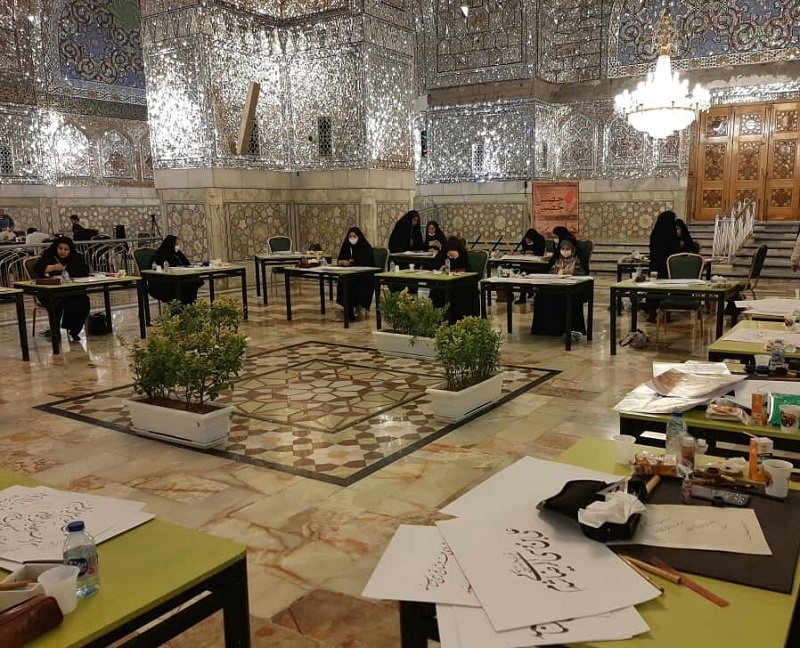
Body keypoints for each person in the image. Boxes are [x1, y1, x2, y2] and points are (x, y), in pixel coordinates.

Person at [33, 236, 91, 341]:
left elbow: (84, 273)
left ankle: (73, 330)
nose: (62, 252)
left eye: (66, 249)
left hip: (70, 290)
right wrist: (52, 267)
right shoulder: (49, 255)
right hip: (49, 291)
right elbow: (38, 269)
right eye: (60, 248)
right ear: (56, 248)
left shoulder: (76, 257)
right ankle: (55, 333)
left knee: (83, 301)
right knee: (57, 303)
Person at [531, 237, 587, 338]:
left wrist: (570, 272)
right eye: (563, 249)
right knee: (541, 297)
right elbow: (551, 271)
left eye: (567, 249)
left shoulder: (577, 260)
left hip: (571, 287)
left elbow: (582, 273)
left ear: (572, 249)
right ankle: (547, 329)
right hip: (556, 285)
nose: (565, 251)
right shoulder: (556, 259)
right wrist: (558, 272)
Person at [647, 210, 682, 322]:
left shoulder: (655, 233)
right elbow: (675, 250)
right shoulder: (671, 233)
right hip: (667, 267)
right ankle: (666, 315)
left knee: (653, 289)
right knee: (666, 289)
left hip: (654, 265)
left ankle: (652, 312)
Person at [148, 235, 203, 305]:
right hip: (162, 282)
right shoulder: (160, 254)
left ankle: (188, 306)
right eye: (176, 244)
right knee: (186, 285)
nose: (177, 246)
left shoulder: (177, 253)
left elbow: (186, 263)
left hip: (176, 278)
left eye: (177, 244)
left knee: (193, 281)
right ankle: (179, 307)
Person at [432, 236, 474, 322]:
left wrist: (457, 261)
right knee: (437, 291)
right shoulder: (443, 253)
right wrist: (441, 268)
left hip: (461, 284)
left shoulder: (462, 254)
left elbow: (467, 269)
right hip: (444, 282)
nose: (451, 254)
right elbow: (434, 266)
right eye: (449, 253)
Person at [336, 226, 374, 321]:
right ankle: (348, 310)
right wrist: (342, 262)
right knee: (342, 281)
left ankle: (350, 312)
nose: (352, 238)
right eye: (350, 236)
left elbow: (367, 264)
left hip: (363, 276)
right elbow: (339, 260)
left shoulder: (365, 248)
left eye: (354, 236)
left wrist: (353, 264)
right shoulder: (346, 246)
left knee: (350, 283)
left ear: (359, 237)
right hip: (349, 274)